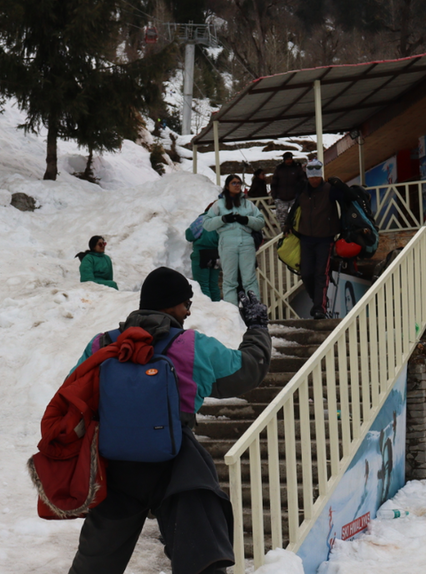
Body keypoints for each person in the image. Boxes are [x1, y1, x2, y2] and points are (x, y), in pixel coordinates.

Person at [67, 267, 272, 574]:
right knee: (201, 557)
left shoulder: (102, 345)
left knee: (95, 563)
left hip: (115, 466)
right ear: (169, 304)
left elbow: (73, 394)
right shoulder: (192, 346)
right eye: (184, 303)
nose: (188, 310)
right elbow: (247, 371)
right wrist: (257, 328)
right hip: (177, 464)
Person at [284, 160, 354, 319]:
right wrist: (288, 222)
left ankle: (319, 308)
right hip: (305, 238)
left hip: (325, 238)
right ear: (308, 177)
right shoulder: (302, 189)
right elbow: (296, 206)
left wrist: (340, 184)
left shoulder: (330, 189)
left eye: (317, 177)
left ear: (321, 175)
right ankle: (318, 300)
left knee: (321, 273)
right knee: (306, 273)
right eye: (312, 177)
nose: (314, 180)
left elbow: (350, 197)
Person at [202, 175, 265, 305]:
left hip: (246, 242)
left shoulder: (248, 204)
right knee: (230, 280)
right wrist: (222, 219)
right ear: (227, 186)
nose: (237, 185)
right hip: (227, 243)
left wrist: (247, 220)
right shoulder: (218, 205)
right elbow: (206, 224)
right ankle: (233, 312)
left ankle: (255, 310)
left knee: (249, 279)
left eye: (239, 183)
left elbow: (260, 222)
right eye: (234, 183)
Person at [185, 203, 221, 302]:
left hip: (202, 255)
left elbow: (189, 235)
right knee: (214, 285)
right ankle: (217, 308)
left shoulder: (203, 220)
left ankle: (207, 310)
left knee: (202, 286)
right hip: (217, 255)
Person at [270, 151, 306, 228]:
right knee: (282, 220)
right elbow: (274, 183)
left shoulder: (297, 169)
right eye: (287, 159)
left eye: (290, 159)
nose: (289, 161)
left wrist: (300, 194)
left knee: (296, 217)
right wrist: (275, 196)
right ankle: (284, 235)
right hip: (281, 198)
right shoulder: (279, 169)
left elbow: (303, 181)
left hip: (295, 198)